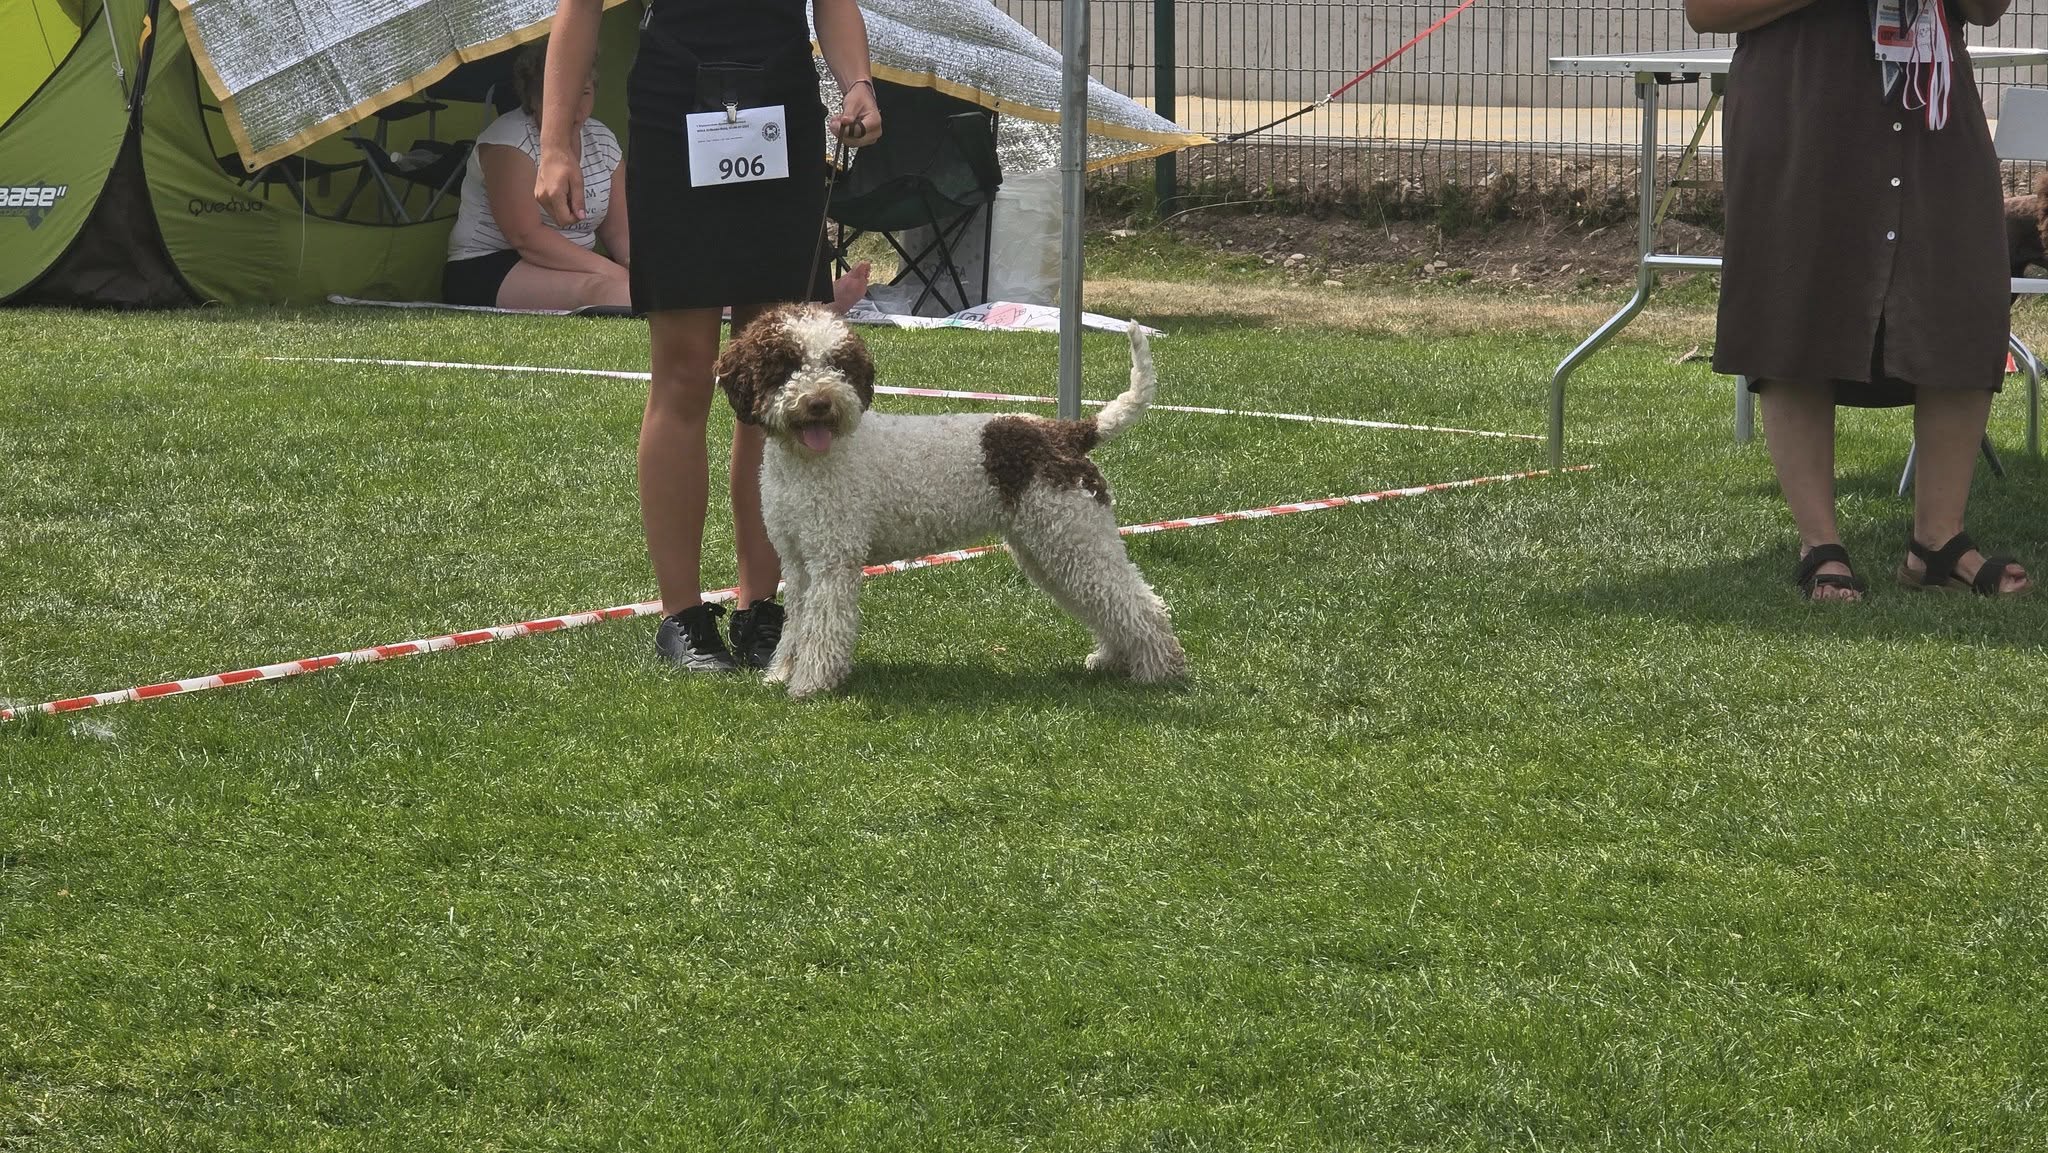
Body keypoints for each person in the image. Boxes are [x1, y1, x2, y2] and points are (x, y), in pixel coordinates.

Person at [538, 0, 879, 672]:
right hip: (673, 104)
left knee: (776, 374)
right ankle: (683, 618)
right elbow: (576, 11)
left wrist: (858, 84)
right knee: (686, 372)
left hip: (781, 104)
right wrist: (555, 144)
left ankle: (762, 608)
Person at [1687, 0, 2030, 600]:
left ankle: (1938, 544)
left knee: (1959, 290)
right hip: (1800, 104)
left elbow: (1986, 8)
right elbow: (1707, 10)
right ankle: (1820, 542)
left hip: (1933, 111)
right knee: (1797, 297)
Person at [444, 43, 631, 311]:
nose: (574, 108)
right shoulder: (509, 139)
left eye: (585, 93)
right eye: (561, 95)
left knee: (652, 285)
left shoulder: (602, 139)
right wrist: (612, 273)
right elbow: (526, 237)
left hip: (579, 264)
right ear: (533, 98)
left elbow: (619, 233)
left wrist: (641, 271)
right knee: (606, 291)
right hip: (489, 264)